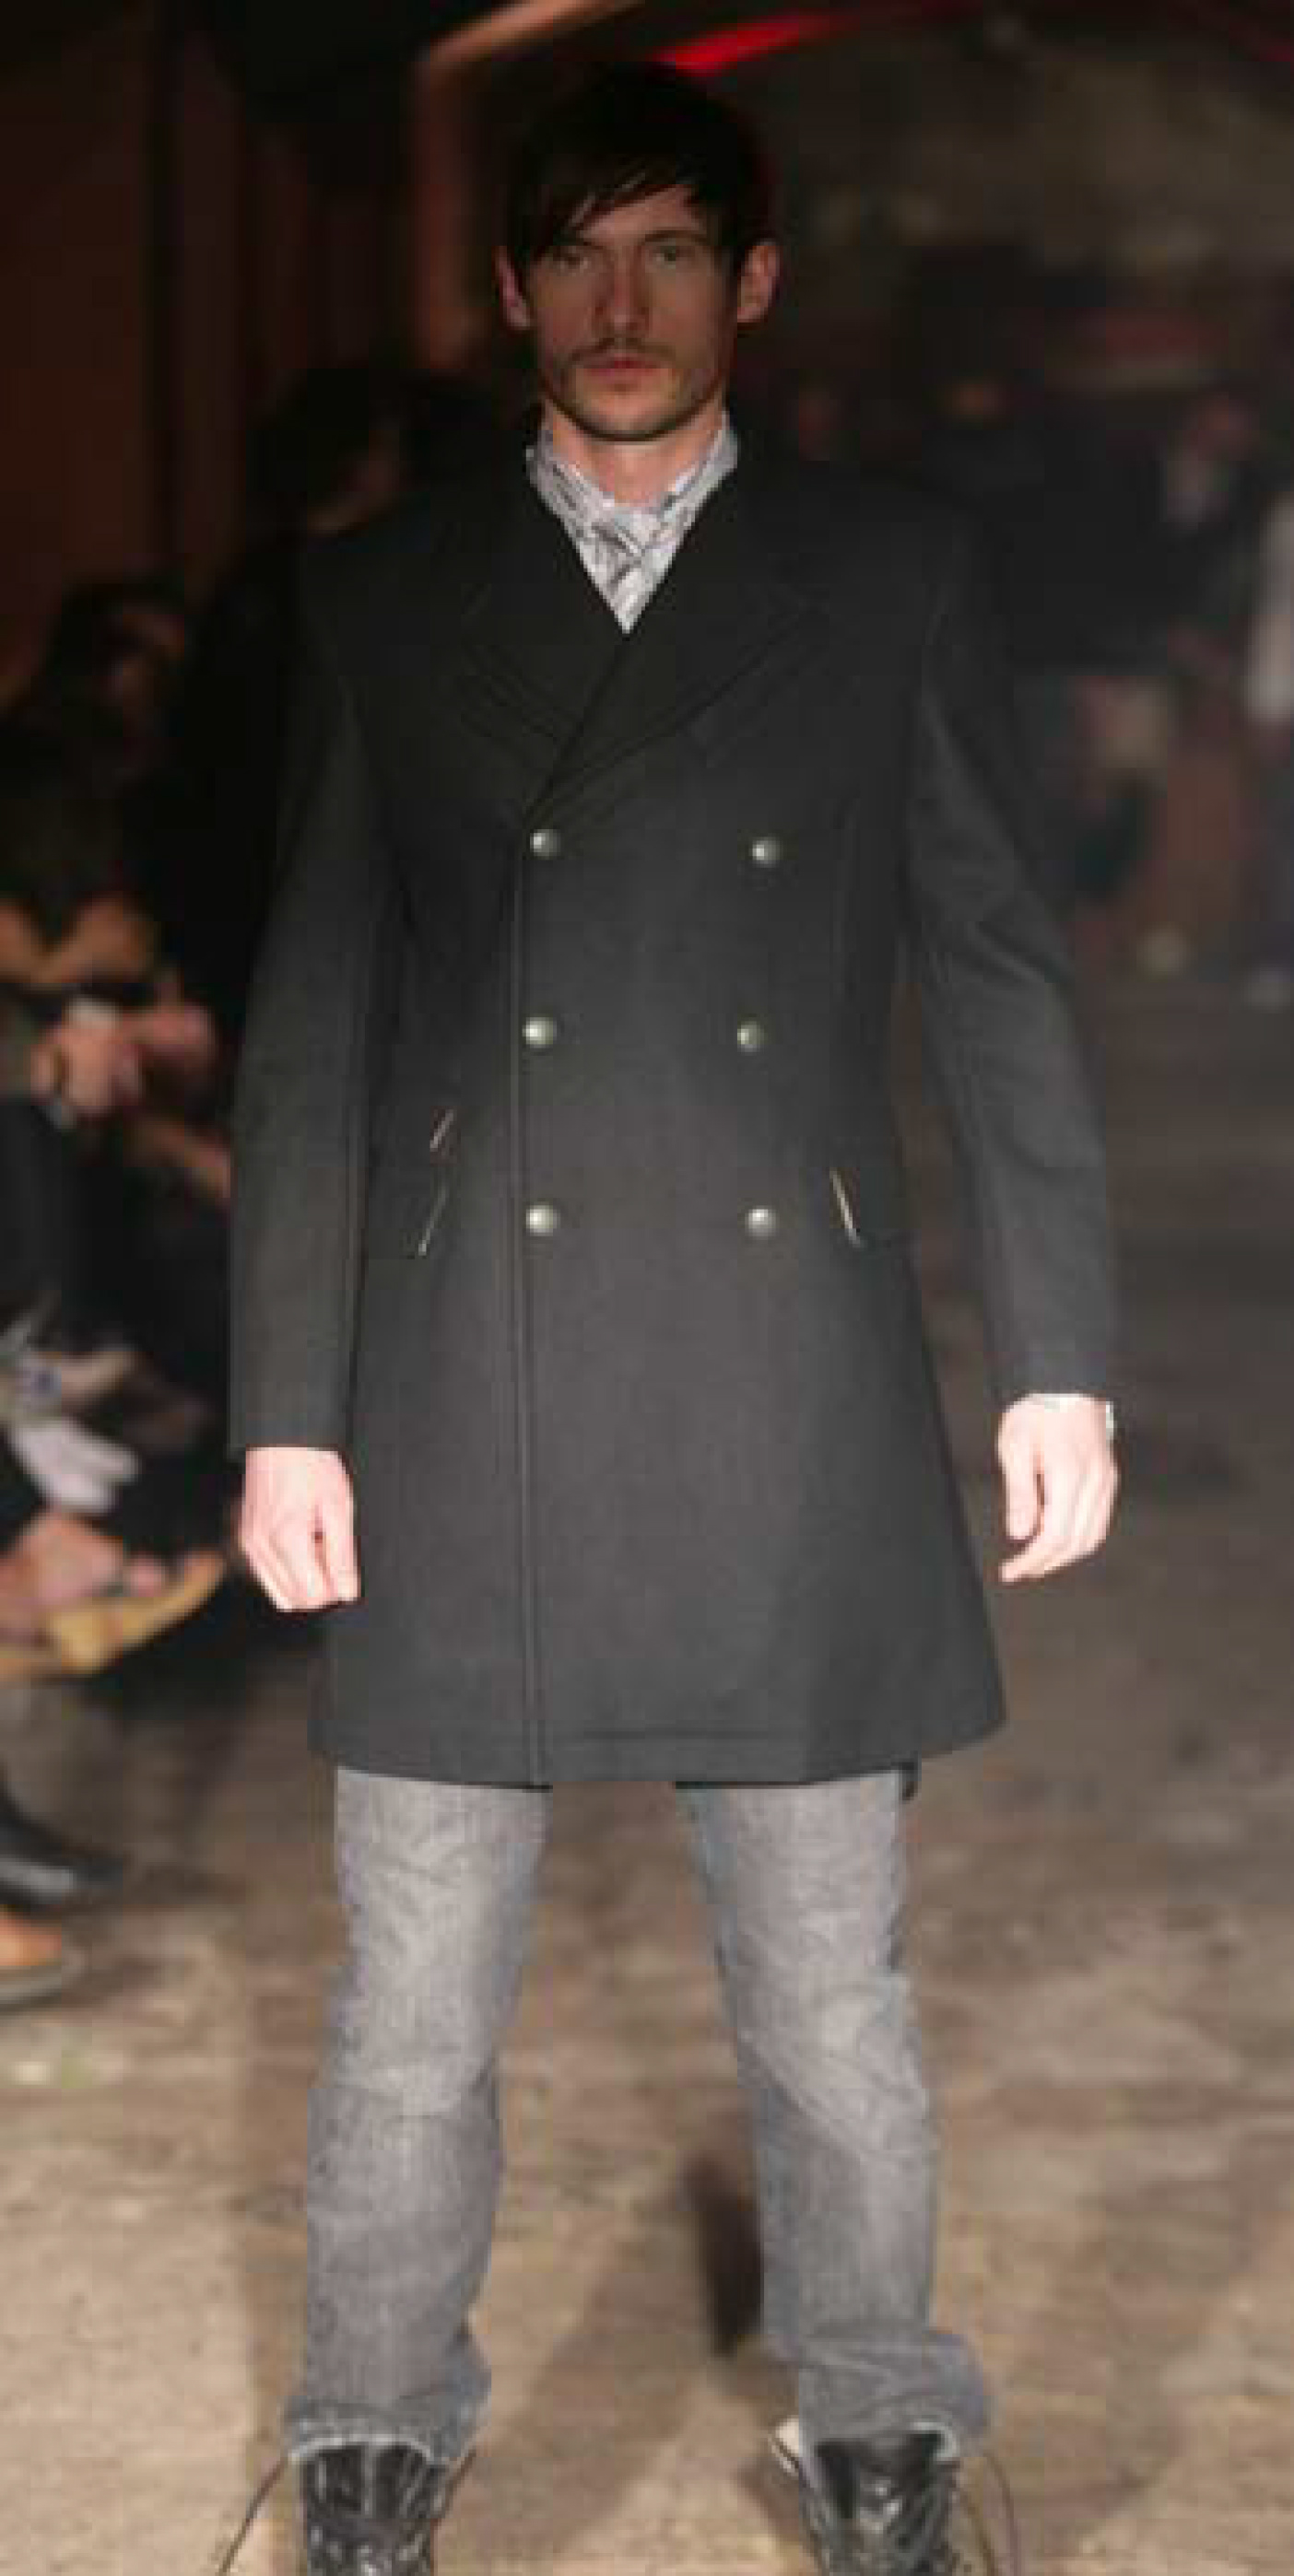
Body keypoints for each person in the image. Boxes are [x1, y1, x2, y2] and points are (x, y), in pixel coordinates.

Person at [229, 63, 1118, 2576]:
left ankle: (879, 2414)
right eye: (576, 257)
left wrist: (1057, 1348)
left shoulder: (889, 572)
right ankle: (370, 2425)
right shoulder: (382, 595)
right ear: (511, 292)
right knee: (416, 1993)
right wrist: (286, 1403)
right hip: (451, 1383)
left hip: (781, 1372)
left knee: (827, 1989)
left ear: (754, 282)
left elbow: (994, 962)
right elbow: (313, 1023)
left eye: (673, 253)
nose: (622, 306)